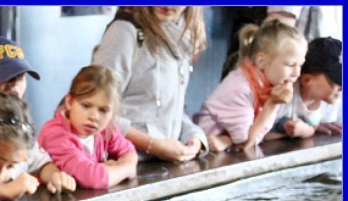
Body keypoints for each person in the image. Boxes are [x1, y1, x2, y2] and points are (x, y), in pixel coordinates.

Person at [0, 35, 76, 200]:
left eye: (20, 76)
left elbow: (39, 162)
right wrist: (5, 190)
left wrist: (56, 176)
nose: (14, 83)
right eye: (4, 76)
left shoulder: (16, 120)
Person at [91, 6, 208, 163]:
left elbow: (171, 110)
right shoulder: (124, 31)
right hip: (122, 163)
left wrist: (194, 136)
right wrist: (153, 145)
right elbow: (94, 113)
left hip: (163, 164)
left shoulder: (183, 35)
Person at [194, 19, 307, 152]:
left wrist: (229, 140)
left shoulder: (268, 87)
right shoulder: (240, 87)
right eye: (289, 64)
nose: (297, 73)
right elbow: (245, 142)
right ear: (262, 60)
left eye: (300, 65)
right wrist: (271, 104)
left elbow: (258, 137)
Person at [38, 65, 138, 190]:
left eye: (103, 110)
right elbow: (92, 178)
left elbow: (129, 151)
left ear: (112, 113)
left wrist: (113, 169)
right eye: (86, 106)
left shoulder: (106, 130)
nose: (94, 116)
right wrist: (126, 169)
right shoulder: (54, 134)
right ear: (69, 102)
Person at [269, 37, 342, 139]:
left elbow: (314, 127)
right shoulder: (283, 94)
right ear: (306, 80)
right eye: (335, 81)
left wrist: (309, 130)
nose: (341, 88)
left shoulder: (330, 100)